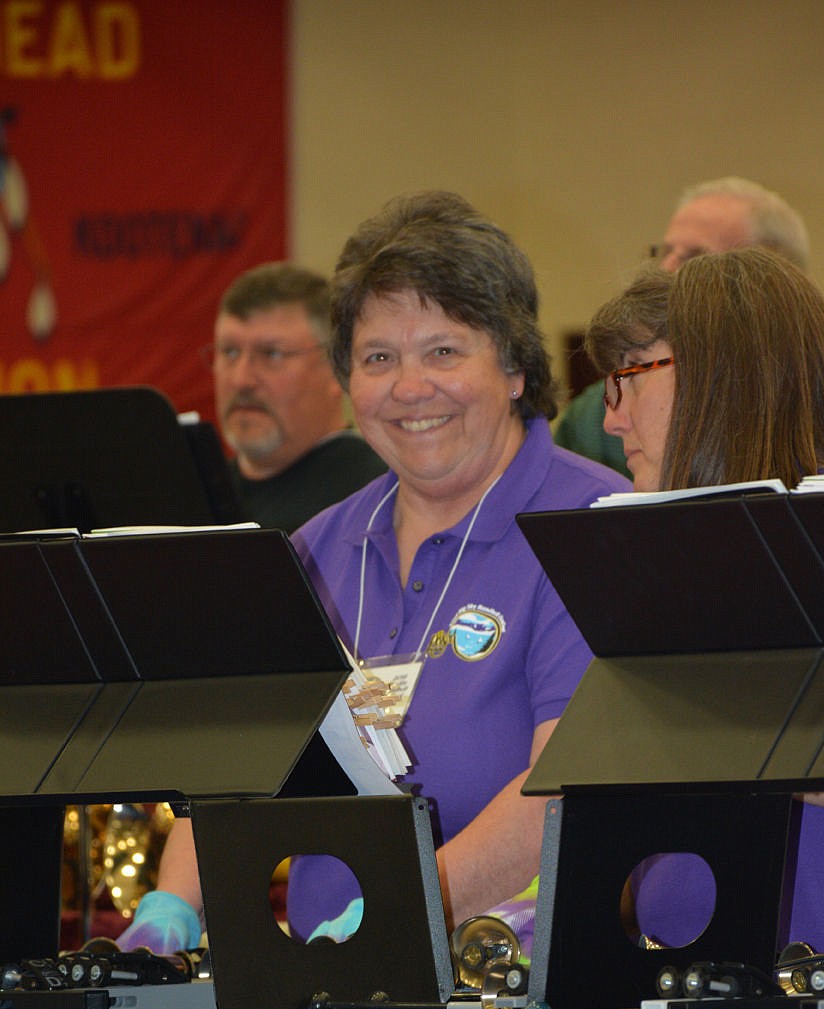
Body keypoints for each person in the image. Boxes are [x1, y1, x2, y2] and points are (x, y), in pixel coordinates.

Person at [118, 190, 630, 954]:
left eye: (444, 352)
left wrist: (402, 915)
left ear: (517, 366)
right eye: (378, 358)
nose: (410, 388)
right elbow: (235, 771)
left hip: (507, 985)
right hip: (328, 974)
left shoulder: (593, 528)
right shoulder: (314, 550)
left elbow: (562, 794)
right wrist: (170, 910)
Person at [583, 246, 824, 960]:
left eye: (626, 378)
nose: (612, 419)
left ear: (723, 374)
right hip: (693, 971)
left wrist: (679, 736)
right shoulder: (669, 555)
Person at [556, 176, 824, 478]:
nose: (667, 269)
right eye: (663, 252)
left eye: (695, 258)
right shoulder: (590, 416)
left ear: (765, 284)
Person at [209, 261, 385, 533]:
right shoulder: (195, 499)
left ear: (337, 367)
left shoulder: (374, 500)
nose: (241, 380)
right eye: (230, 352)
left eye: (272, 354)